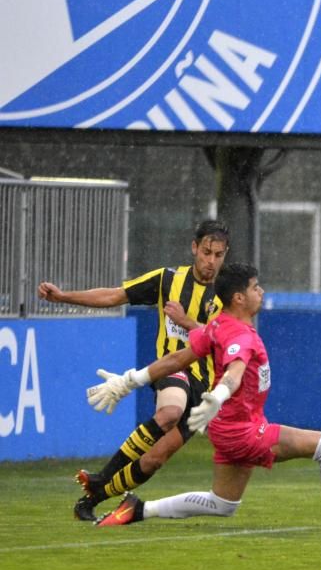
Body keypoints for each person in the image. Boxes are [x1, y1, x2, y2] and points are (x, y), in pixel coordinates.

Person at [87, 262, 321, 531]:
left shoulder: (218, 326)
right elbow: (234, 372)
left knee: (222, 504)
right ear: (239, 297)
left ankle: (138, 509)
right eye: (255, 287)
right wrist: (220, 394)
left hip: (228, 427)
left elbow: (176, 359)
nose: (260, 292)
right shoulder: (239, 335)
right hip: (244, 431)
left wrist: (130, 381)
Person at [38, 220, 230, 522]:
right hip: (171, 368)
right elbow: (115, 295)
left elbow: (230, 342)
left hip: (204, 388)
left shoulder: (227, 294)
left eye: (218, 255)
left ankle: (92, 498)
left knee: (154, 460)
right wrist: (63, 297)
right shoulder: (167, 279)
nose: (211, 261)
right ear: (195, 248)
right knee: (169, 413)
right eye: (207, 252)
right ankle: (102, 476)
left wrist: (188, 323)